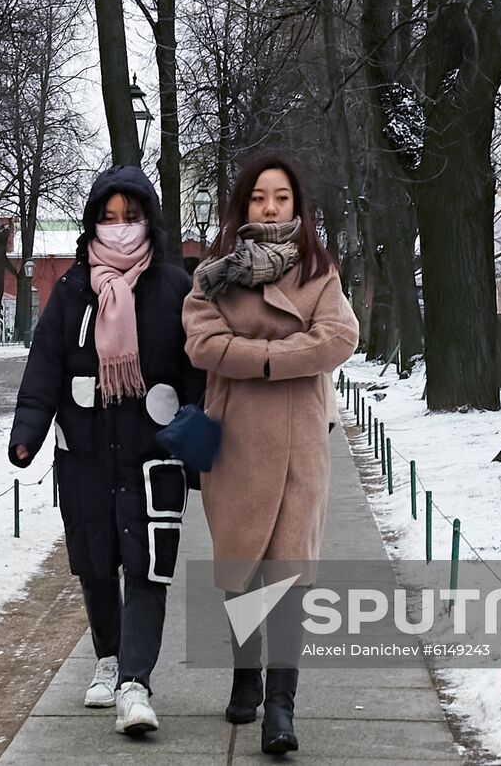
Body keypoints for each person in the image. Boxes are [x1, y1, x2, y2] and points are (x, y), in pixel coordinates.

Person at [8, 166, 204, 737]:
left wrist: (198, 450)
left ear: (150, 221)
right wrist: (28, 431)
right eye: (109, 218)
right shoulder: (72, 290)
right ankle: (108, 657)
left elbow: (197, 377)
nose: (120, 229)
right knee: (95, 564)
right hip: (87, 452)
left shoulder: (174, 287)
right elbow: (44, 365)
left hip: (152, 454)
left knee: (148, 568)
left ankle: (136, 685)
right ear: (93, 223)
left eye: (131, 217)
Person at [183, 154, 358, 755]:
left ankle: (281, 705)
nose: (271, 208)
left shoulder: (318, 269)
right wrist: (282, 354)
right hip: (235, 440)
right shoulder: (214, 273)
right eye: (259, 197)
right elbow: (202, 344)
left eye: (282, 198)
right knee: (242, 568)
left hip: (302, 444)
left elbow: (339, 336)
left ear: (298, 207)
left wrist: (257, 355)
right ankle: (244, 676)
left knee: (288, 572)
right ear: (243, 206)